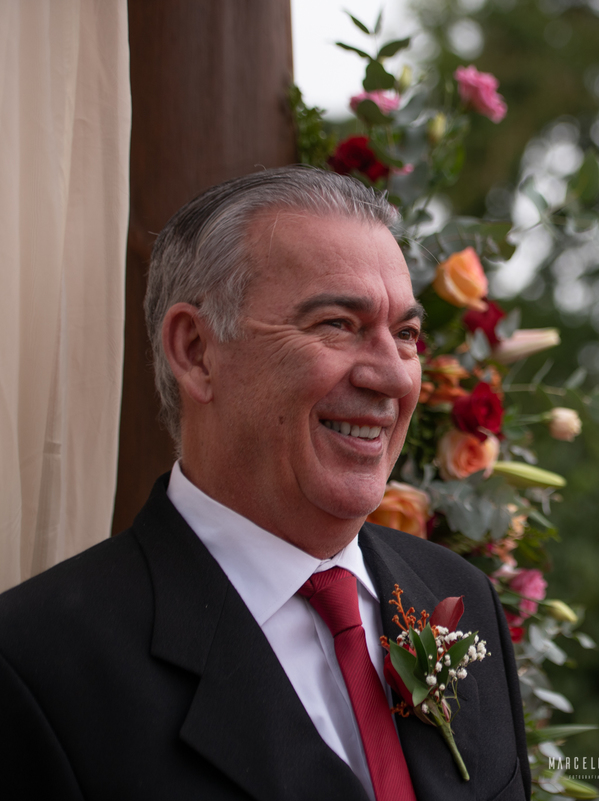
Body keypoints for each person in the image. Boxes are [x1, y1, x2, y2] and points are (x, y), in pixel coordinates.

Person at [0, 167, 530, 801]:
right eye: (338, 323)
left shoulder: (459, 596)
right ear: (197, 351)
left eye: (406, 335)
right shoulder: (37, 666)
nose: (393, 377)